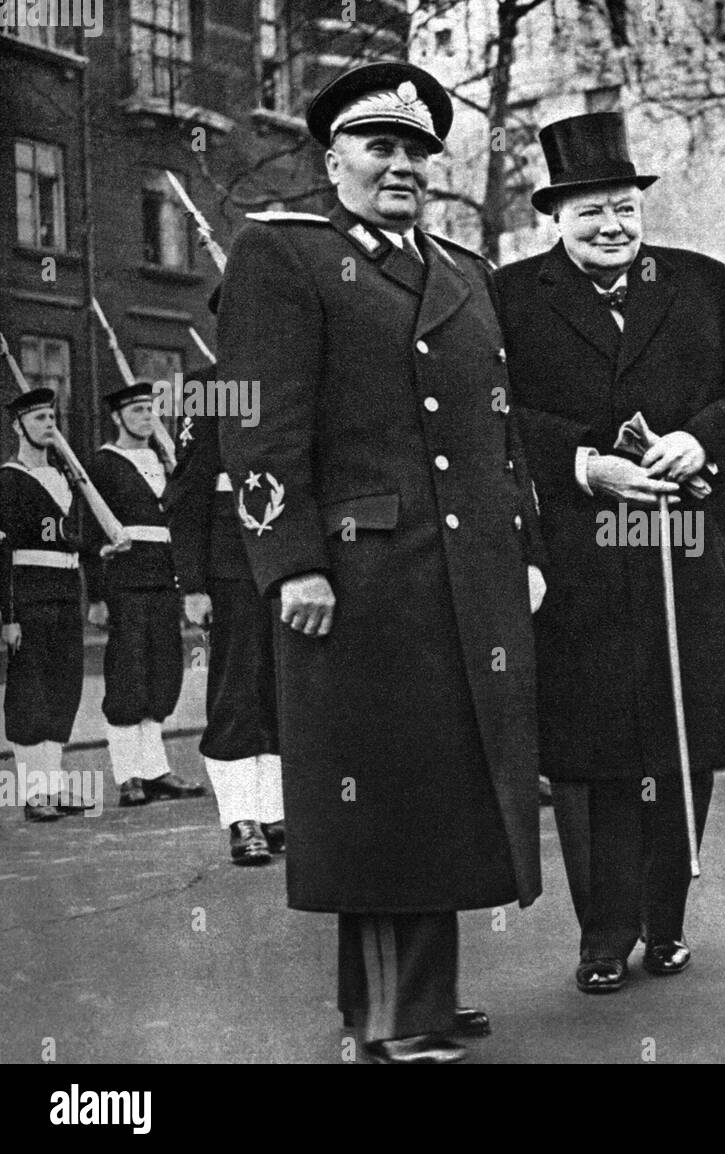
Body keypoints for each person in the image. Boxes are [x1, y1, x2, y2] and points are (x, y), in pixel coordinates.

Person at [217, 61, 546, 1064]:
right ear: (335, 161)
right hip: (361, 577)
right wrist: (291, 562)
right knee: (381, 795)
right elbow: (260, 425)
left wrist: (525, 544)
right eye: (380, 147)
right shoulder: (286, 253)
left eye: (416, 151)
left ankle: (414, 995)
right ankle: (394, 1018)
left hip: (466, 573)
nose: (401, 165)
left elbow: (501, 431)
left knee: (447, 786)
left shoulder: (462, 270)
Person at [495, 111, 725, 994]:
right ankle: (602, 936)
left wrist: (701, 443)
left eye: (624, 208)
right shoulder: (511, 297)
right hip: (581, 562)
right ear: (556, 218)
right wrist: (585, 465)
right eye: (591, 213)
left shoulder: (701, 283)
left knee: (681, 743)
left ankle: (666, 923)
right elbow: (494, 416)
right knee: (592, 757)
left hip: (686, 549)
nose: (612, 226)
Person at [165, 356, 284, 866]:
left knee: (281, 688)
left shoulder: (289, 374)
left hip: (290, 561)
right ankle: (242, 817)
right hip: (231, 563)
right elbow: (187, 490)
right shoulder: (209, 387)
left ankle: (274, 810)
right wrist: (193, 584)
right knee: (237, 687)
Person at [86, 382, 206, 808]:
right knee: (128, 676)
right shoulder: (103, 463)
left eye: (150, 409)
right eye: (136, 410)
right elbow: (90, 530)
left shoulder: (164, 459)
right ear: (117, 417)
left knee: (163, 674)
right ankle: (128, 775)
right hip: (126, 581)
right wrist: (96, 596)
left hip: (165, 579)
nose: (145, 417)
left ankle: (155, 771)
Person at [0, 390, 103, 820]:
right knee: (30, 692)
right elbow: (2, 552)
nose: (48, 425)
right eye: (39, 418)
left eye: (51, 417)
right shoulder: (8, 479)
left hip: (65, 592)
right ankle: (31, 794)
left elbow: (81, 540)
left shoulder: (66, 477)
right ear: (17, 426)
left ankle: (54, 786)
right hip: (29, 595)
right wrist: (8, 616)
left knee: (63, 689)